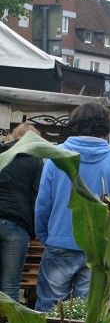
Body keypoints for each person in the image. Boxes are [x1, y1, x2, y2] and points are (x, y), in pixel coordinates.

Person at [34, 102, 110, 312]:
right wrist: (109, 240)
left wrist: (46, 235)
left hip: (59, 242)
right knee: (87, 314)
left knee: (49, 311)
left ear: (75, 124)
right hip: (97, 247)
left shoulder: (56, 156)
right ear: (106, 126)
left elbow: (43, 202)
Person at [0, 124, 43, 303]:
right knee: (10, 286)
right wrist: (34, 230)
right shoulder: (36, 162)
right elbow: (37, 198)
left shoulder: (2, 155)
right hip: (17, 226)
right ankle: (6, 321)